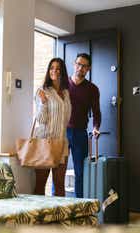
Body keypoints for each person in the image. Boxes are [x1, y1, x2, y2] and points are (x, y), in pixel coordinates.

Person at [34, 57, 71, 196]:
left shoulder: (66, 93)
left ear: (62, 72)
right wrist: (43, 102)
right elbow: (41, 119)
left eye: (57, 68)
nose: (54, 71)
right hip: (45, 142)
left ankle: (59, 217)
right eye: (51, 68)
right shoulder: (42, 91)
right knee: (40, 185)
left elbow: (66, 118)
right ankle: (38, 217)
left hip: (61, 143)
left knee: (60, 186)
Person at [67, 53, 101, 198]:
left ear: (88, 69)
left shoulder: (92, 89)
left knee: (80, 172)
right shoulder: (63, 84)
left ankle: (78, 206)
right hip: (62, 132)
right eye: (78, 64)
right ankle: (56, 206)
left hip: (80, 133)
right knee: (58, 170)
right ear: (74, 64)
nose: (80, 68)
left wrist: (96, 127)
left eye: (84, 66)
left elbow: (96, 112)